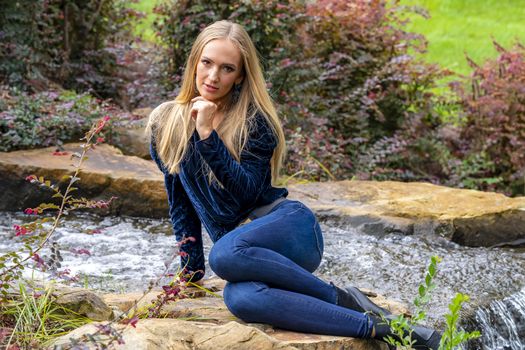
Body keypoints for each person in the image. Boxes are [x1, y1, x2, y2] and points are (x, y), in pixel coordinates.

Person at [146, 20, 442, 349]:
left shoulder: (255, 122)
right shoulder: (166, 123)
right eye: (207, 63)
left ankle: (341, 298)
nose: (214, 76)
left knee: (225, 253)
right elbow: (180, 203)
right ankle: (380, 327)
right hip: (243, 256)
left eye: (227, 68)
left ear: (240, 75)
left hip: (289, 230)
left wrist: (207, 137)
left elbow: (247, 192)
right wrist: (190, 272)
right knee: (240, 298)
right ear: (194, 62)